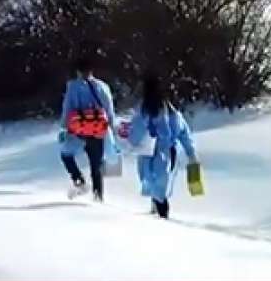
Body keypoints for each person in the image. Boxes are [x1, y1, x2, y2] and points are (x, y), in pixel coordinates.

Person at [124, 74, 197, 219]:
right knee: (159, 185)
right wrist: (191, 153)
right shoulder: (171, 111)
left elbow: (135, 132)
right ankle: (159, 212)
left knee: (154, 184)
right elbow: (183, 132)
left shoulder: (145, 110)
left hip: (151, 152)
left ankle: (159, 213)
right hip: (166, 152)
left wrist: (131, 143)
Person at [58, 52, 117, 201]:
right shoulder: (102, 86)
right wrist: (110, 125)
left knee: (66, 155)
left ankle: (79, 180)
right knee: (96, 165)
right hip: (98, 131)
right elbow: (109, 109)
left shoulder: (73, 87)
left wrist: (64, 127)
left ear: (78, 71)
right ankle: (98, 197)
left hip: (78, 131)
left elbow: (68, 108)